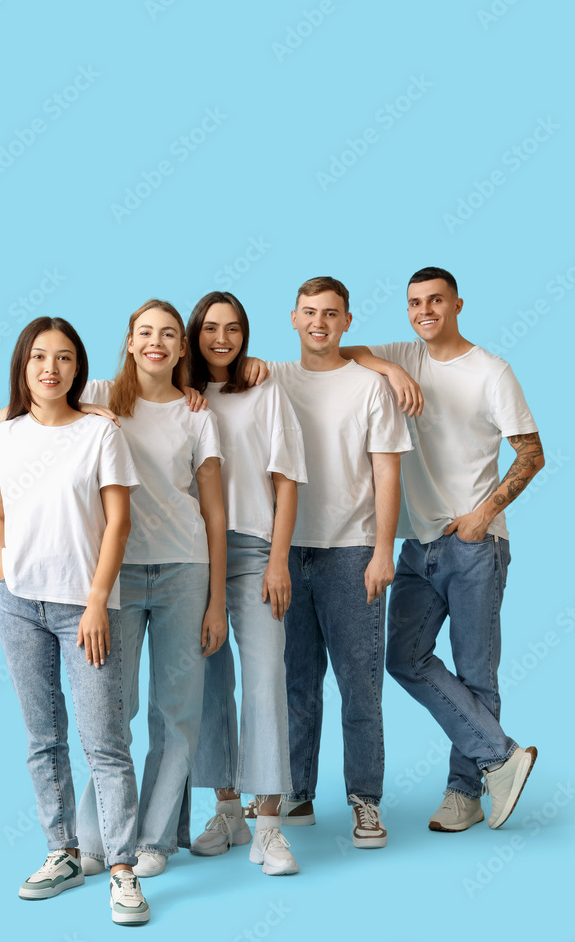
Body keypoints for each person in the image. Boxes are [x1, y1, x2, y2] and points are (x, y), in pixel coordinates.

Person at [341, 266, 543, 831]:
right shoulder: (405, 353)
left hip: (475, 546)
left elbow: (531, 453)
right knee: (404, 658)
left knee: (476, 672)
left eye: (435, 300)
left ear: (457, 304)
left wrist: (483, 515)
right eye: (413, 303)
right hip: (416, 546)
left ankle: (464, 794)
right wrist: (387, 368)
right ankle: (502, 756)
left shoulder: (491, 371)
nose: (424, 310)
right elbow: (344, 350)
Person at [0, 317, 150, 925]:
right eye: (40, 356)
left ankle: (121, 868)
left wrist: (97, 601)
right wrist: (6, 570)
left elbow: (117, 523)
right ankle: (62, 852)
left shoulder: (99, 434)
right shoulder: (2, 436)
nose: (52, 367)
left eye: (65, 357)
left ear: (78, 368)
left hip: (84, 606)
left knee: (104, 740)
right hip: (19, 606)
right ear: (24, 365)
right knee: (42, 738)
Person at [252, 276, 412, 848]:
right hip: (286, 552)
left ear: (347, 321)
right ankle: (297, 791)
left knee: (360, 685)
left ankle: (365, 802)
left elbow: (388, 471)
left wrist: (382, 551)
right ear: (292, 318)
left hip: (353, 552)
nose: (319, 322)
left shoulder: (369, 386)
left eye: (331, 314)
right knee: (296, 681)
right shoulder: (271, 378)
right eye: (309, 312)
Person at [73, 299, 227, 878]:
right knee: (111, 710)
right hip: (114, 578)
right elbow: (22, 415)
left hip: (184, 571)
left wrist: (216, 600)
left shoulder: (197, 414)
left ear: (182, 348)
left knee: (177, 712)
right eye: (146, 333)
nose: (157, 341)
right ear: (131, 341)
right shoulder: (96, 395)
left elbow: (215, 513)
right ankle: (96, 837)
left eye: (168, 334)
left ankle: (155, 840)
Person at [185, 291, 307, 876]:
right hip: (190, 555)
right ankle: (227, 809)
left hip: (256, 548)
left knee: (265, 681)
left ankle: (269, 825)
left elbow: (287, 482)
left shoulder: (265, 388)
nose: (222, 339)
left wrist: (279, 560)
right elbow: (110, 392)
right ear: (194, 332)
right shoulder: (178, 395)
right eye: (211, 328)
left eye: (233, 329)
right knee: (209, 683)